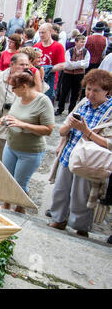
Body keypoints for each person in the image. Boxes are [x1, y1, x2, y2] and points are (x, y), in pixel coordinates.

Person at [48, 69, 112, 238]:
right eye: (88, 89)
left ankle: (80, 226)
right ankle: (58, 219)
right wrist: (69, 126)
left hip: (89, 160)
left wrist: (87, 131)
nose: (90, 94)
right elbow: (62, 131)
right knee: (61, 189)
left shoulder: (110, 111)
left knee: (82, 194)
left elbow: (109, 143)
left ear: (107, 90)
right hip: (69, 153)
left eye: (95, 90)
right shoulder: (83, 103)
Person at [0, 70, 54, 214]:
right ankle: (6, 205)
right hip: (11, 145)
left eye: (14, 87)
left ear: (24, 86)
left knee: (20, 184)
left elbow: (48, 129)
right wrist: (5, 120)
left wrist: (23, 124)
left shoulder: (43, 101)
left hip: (30, 150)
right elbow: (13, 115)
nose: (12, 90)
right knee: (7, 179)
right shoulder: (18, 98)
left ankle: (19, 209)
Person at [55, 35, 90, 116]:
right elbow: (67, 65)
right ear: (76, 42)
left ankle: (71, 110)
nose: (83, 44)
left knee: (76, 93)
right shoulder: (69, 51)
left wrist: (74, 64)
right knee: (64, 92)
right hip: (68, 74)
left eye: (84, 42)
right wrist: (79, 64)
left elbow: (86, 64)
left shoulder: (86, 52)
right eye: (81, 42)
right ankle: (60, 109)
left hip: (79, 75)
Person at [34, 23, 66, 102]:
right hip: (36, 80)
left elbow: (62, 65)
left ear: (50, 32)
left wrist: (45, 69)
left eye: (43, 32)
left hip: (49, 82)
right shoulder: (36, 46)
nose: (41, 35)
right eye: (40, 32)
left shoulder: (58, 47)